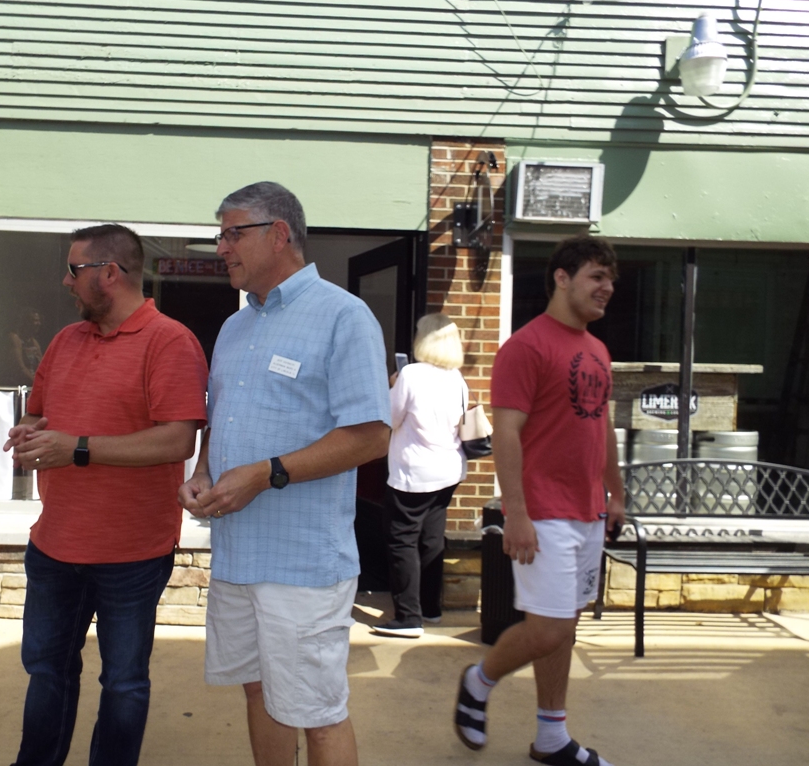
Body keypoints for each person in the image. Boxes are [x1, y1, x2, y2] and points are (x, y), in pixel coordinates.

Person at [178, 181, 390, 766]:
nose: (221, 247)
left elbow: (371, 436)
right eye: (219, 234)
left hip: (303, 564)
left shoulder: (343, 316)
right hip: (237, 555)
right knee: (259, 693)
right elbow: (223, 418)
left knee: (317, 713)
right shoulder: (235, 327)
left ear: (278, 234)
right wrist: (204, 470)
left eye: (232, 233)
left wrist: (265, 474)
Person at [2, 224, 208, 766]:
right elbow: (39, 411)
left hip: (132, 554)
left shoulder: (170, 341)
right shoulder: (66, 340)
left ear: (109, 273)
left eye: (74, 270)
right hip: (54, 545)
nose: (65, 281)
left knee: (123, 682)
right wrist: (30, 432)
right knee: (46, 670)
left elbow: (178, 440)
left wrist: (78, 448)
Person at [454, 235, 625, 766]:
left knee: (563, 628)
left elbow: (602, 427)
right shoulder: (526, 347)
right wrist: (517, 514)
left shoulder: (597, 349)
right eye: (597, 276)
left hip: (588, 510)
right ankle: (479, 680)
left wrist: (616, 493)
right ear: (562, 277)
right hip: (543, 510)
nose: (607, 287)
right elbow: (506, 433)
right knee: (550, 627)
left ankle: (552, 735)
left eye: (611, 279)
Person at [372, 313, 468, 638]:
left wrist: (392, 385)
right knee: (431, 539)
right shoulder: (457, 379)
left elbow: (389, 418)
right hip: (449, 470)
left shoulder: (410, 375)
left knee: (402, 539)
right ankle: (430, 607)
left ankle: (408, 618)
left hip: (413, 473)